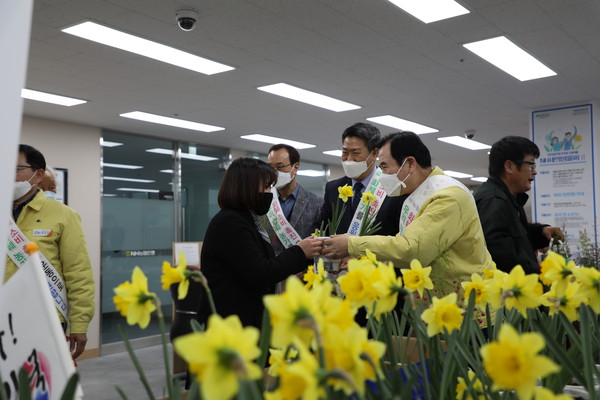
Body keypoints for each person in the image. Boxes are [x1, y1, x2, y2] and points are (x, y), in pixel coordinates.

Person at [322, 132, 492, 303]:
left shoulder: (447, 197)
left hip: (467, 308)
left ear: (410, 164)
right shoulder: (415, 194)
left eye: (385, 167)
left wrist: (351, 244)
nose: (382, 175)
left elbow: (413, 249)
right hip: (439, 301)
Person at [197, 157, 323, 328]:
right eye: (265, 186)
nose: (270, 193)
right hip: (233, 325)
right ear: (246, 187)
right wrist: (300, 251)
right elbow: (261, 272)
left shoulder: (247, 220)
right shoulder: (230, 222)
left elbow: (258, 266)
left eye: (270, 186)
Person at [6, 144, 94, 359]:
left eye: (15, 168)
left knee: (35, 386)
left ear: (38, 175)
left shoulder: (63, 215)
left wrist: (79, 324)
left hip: (44, 316)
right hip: (3, 314)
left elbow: (78, 273)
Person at [474, 136, 564, 274]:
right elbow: (499, 253)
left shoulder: (507, 198)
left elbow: (515, 235)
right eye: (531, 165)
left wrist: (541, 232)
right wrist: (537, 275)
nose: (535, 171)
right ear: (509, 166)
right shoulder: (494, 200)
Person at [321, 122, 404, 236]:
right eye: (345, 152)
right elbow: (322, 228)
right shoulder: (333, 188)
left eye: (356, 153)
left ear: (375, 153)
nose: (349, 159)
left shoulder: (392, 187)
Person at [263, 143, 323, 256]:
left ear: (295, 167)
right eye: (270, 167)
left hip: (302, 270)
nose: (274, 172)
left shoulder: (317, 203)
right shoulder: (263, 200)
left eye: (280, 166)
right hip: (269, 269)